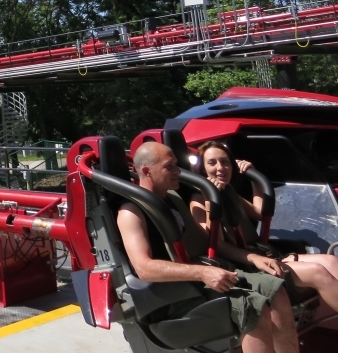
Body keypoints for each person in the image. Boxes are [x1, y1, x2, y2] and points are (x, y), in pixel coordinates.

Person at [117, 142, 298, 353]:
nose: (178, 172)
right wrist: (202, 272)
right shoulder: (131, 211)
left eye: (177, 165)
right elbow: (144, 268)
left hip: (198, 276)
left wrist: (251, 257)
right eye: (170, 167)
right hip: (171, 295)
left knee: (276, 289)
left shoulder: (173, 200)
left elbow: (206, 243)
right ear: (147, 171)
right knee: (252, 306)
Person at [190, 140, 338, 312]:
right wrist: (211, 200)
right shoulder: (198, 199)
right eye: (212, 163)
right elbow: (216, 243)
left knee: (330, 260)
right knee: (317, 272)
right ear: (202, 170)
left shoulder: (230, 193)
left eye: (225, 162)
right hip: (243, 266)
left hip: (261, 255)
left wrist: (253, 177)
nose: (220, 168)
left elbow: (259, 212)